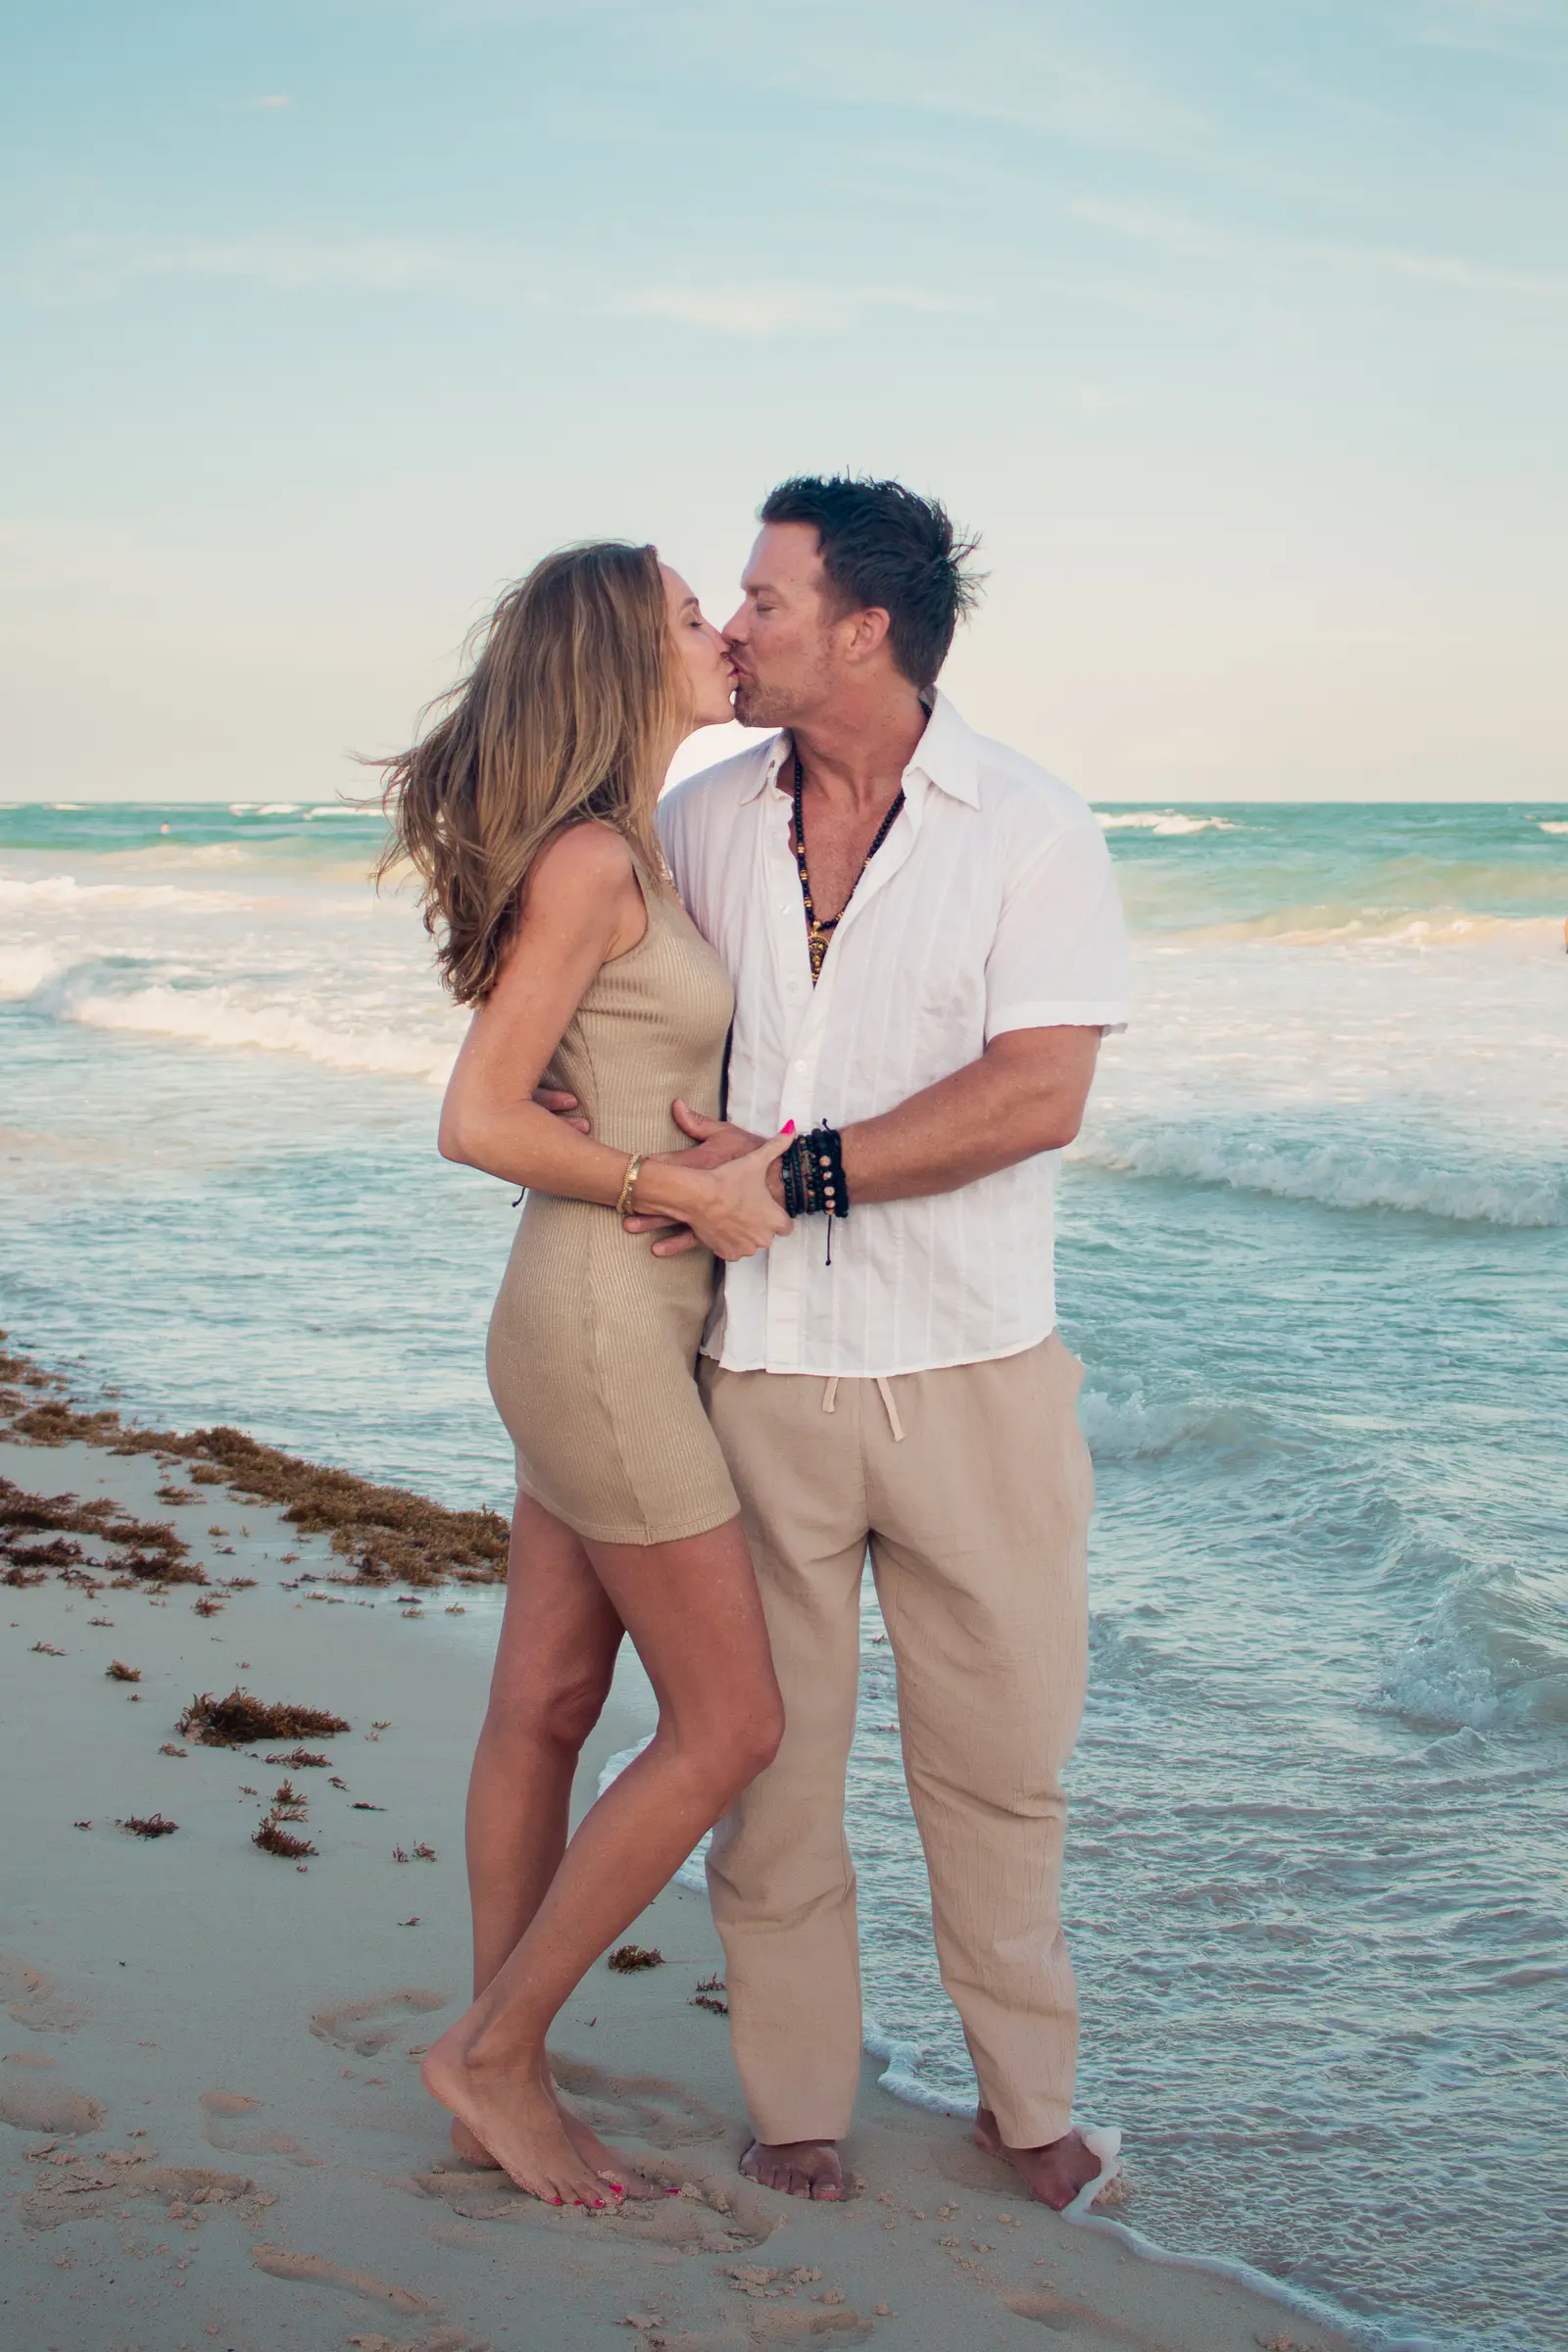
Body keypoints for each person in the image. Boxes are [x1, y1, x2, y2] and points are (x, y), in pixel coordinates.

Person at [617, 477, 1131, 2207]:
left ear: (866, 627)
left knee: (997, 1767)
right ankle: (798, 2101)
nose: (734, 629)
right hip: (753, 1372)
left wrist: (790, 1175)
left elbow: (1037, 1092)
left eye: (763, 600)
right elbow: (634, 1010)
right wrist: (608, 1141)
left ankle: (1031, 2104)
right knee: (770, 1763)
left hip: (976, 1371)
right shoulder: (700, 812)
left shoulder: (1031, 826)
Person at [377, 541, 793, 2209]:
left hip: (591, 1327)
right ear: (626, 656)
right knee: (732, 1723)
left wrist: (707, 1147)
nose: (723, 633)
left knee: (547, 1707)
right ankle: (490, 2053)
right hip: (604, 1334)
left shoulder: (635, 849)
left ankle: (501, 2057)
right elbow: (476, 1118)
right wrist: (669, 1188)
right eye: (695, 613)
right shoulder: (595, 862)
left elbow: (603, 1076)